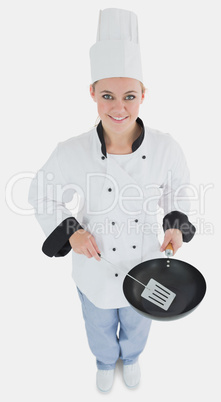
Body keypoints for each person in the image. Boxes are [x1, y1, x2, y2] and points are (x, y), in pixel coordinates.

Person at [28, 8, 196, 393]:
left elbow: (181, 189)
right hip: (95, 264)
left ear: (143, 95)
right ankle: (105, 361)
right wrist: (71, 231)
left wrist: (174, 225)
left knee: (139, 320)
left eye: (129, 96)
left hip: (145, 259)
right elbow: (40, 193)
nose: (118, 108)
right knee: (98, 321)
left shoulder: (166, 147)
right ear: (92, 94)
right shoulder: (71, 151)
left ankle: (132, 357)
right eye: (107, 96)